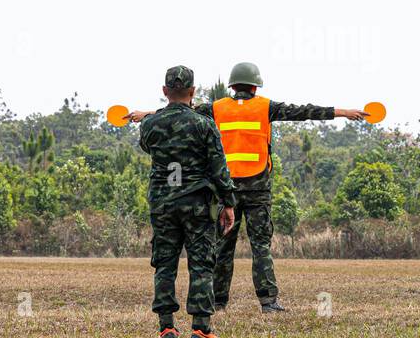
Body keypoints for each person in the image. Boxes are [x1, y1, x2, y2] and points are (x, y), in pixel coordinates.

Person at [131, 61, 367, 313]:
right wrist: (343, 112)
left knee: (222, 247)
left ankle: (218, 300)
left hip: (226, 189)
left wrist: (144, 114)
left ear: (231, 86)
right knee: (260, 246)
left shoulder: (217, 108)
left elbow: (180, 112)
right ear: (255, 86)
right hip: (257, 189)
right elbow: (304, 112)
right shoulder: (266, 107)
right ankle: (268, 301)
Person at [137, 65, 237, 338]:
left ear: (165, 91)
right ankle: (201, 328)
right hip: (196, 203)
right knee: (202, 264)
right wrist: (228, 203)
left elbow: (147, 147)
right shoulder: (204, 125)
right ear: (193, 92)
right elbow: (219, 168)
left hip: (163, 204)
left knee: (165, 264)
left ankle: (166, 327)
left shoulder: (150, 124)